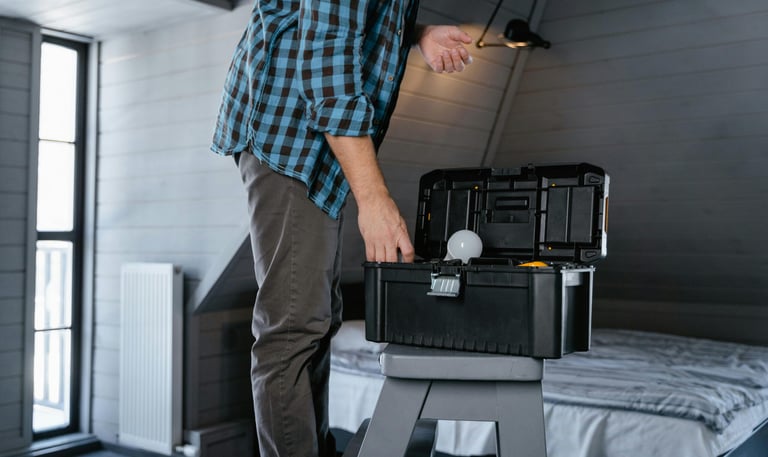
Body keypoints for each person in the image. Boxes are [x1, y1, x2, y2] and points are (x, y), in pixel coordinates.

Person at [210, 1, 473, 456]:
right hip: (289, 133)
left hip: (314, 143)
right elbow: (326, 60)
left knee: (316, 318)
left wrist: (416, 32)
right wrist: (374, 199)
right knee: (292, 330)